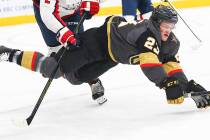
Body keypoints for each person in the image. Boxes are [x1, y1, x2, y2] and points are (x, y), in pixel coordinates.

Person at [0, 5, 209, 108]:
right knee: (51, 69)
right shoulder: (147, 34)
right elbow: (149, 64)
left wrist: (186, 86)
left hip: (112, 56)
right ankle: (8, 53)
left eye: (171, 26)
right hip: (96, 42)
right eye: (165, 25)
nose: (168, 30)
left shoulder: (171, 42)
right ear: (155, 23)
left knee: (75, 78)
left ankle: (88, 78)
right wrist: (165, 83)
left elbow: (172, 66)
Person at [32, 0, 107, 104]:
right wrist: (63, 33)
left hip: (72, 13)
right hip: (46, 13)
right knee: (57, 62)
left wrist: (93, 1)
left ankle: (93, 80)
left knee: (80, 49)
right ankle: (57, 62)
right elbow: (47, 14)